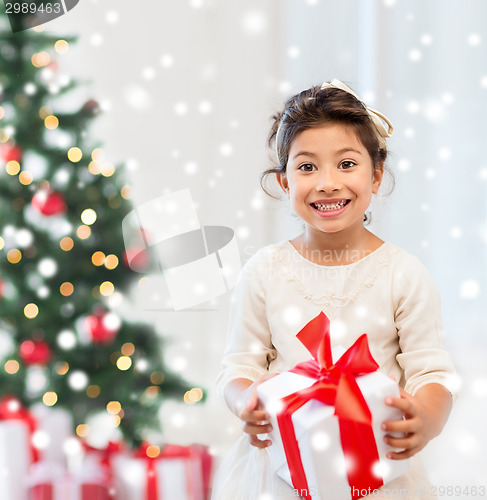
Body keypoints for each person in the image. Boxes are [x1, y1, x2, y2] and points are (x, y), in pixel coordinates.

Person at [211, 79, 456, 500]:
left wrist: (427, 417)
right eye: (307, 167)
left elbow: (431, 372)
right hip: (281, 473)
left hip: (377, 474)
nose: (327, 183)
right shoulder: (264, 271)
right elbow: (238, 367)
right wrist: (244, 401)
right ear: (284, 183)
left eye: (346, 164)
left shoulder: (403, 274)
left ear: (376, 175)